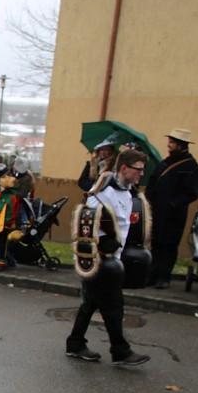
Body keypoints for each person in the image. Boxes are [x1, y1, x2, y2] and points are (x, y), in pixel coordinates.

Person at [65, 149, 150, 367]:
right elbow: (86, 223)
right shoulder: (102, 194)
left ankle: (75, 343)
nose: (141, 174)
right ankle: (120, 350)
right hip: (100, 260)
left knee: (91, 303)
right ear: (124, 168)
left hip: (115, 258)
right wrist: (102, 243)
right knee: (114, 305)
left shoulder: (129, 193)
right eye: (138, 169)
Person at [147, 128, 198, 289]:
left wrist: (174, 203)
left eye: (172, 142)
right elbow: (153, 181)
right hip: (157, 211)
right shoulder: (164, 163)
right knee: (156, 244)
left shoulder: (191, 166)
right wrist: (149, 197)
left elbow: (193, 192)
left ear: (181, 145)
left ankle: (164, 277)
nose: (168, 145)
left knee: (169, 246)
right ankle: (152, 274)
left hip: (173, 214)